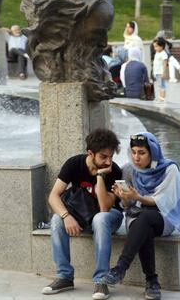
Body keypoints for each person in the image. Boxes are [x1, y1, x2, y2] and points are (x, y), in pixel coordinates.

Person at [102, 132, 180, 300]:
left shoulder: (169, 169)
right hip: (137, 218)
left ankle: (120, 268)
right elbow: (128, 207)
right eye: (134, 152)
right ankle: (152, 281)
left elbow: (164, 202)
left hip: (165, 217)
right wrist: (124, 199)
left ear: (153, 152)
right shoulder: (129, 170)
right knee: (144, 226)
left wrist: (138, 198)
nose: (136, 157)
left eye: (142, 153)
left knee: (145, 218)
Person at [42, 128, 123, 300]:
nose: (108, 161)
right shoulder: (74, 164)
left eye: (111, 157)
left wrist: (100, 176)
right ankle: (64, 276)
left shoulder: (113, 170)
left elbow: (104, 208)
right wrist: (66, 216)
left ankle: (102, 279)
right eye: (103, 156)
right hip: (82, 215)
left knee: (100, 219)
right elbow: (53, 196)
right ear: (90, 153)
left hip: (110, 217)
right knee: (57, 219)